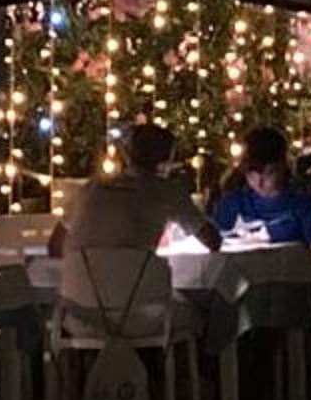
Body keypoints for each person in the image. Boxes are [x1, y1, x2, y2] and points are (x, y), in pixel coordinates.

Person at [54, 123, 219, 311]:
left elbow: (54, 245)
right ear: (169, 158)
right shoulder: (167, 192)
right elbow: (212, 240)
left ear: (127, 154)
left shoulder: (92, 188)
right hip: (143, 314)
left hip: (80, 315)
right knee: (204, 306)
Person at [212, 126, 311, 261]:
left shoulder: (303, 207)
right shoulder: (232, 203)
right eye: (252, 174)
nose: (259, 182)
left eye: (269, 173)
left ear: (283, 167)